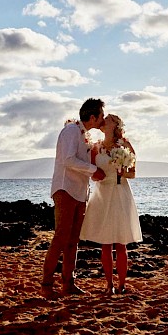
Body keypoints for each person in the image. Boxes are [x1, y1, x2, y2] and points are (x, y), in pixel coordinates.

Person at [41, 98, 106, 299]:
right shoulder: (70, 131)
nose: (102, 120)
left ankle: (68, 283)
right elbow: (68, 160)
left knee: (73, 241)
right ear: (93, 117)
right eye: (101, 116)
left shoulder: (84, 135)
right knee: (61, 237)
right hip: (66, 189)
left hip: (79, 192)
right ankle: (47, 284)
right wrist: (94, 170)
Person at [80, 114, 143, 294]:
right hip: (102, 193)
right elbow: (91, 172)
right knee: (105, 243)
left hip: (120, 192)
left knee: (121, 243)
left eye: (108, 119)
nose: (104, 120)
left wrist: (122, 173)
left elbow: (133, 173)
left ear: (115, 125)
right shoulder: (96, 147)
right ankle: (109, 285)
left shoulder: (125, 146)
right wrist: (95, 175)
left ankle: (122, 283)